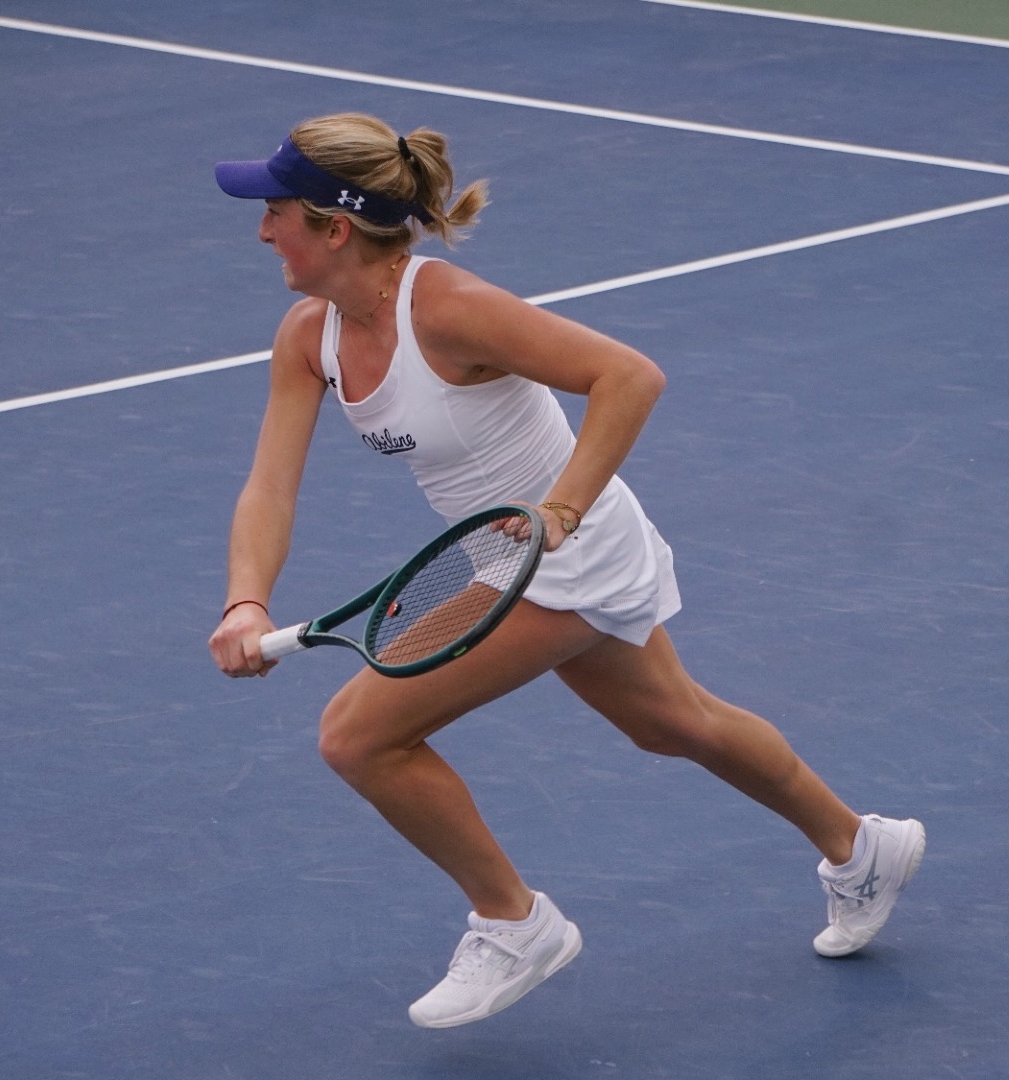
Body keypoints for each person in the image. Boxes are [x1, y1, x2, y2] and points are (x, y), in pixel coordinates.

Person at [206, 113, 923, 1029]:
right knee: (673, 722)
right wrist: (245, 599)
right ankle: (861, 848)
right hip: (502, 555)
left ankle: (515, 923)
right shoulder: (310, 336)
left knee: (358, 736)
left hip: (565, 550)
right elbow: (270, 486)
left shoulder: (451, 308)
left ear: (334, 227)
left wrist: (561, 511)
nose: (262, 229)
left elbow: (630, 376)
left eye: (276, 212)